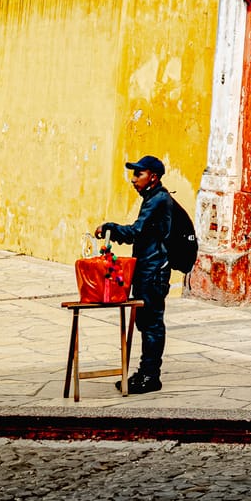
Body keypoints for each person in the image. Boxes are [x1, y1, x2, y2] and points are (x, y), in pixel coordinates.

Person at [94, 154, 177, 395]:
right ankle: (145, 371)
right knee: (145, 322)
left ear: (153, 177)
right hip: (146, 270)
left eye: (138, 174)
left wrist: (110, 228)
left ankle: (151, 376)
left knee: (152, 323)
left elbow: (136, 232)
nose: (133, 179)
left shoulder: (158, 200)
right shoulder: (153, 198)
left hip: (154, 272)